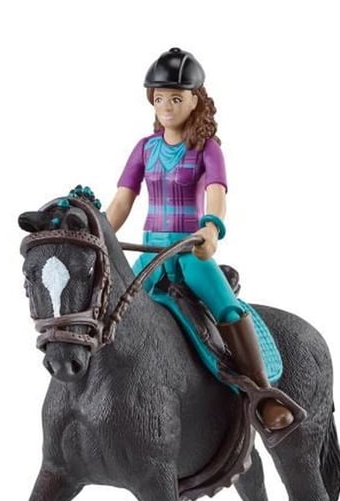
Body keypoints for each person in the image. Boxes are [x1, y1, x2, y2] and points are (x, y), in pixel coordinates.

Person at [105, 47, 294, 430]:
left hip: (190, 251)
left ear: (195, 100)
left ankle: (262, 394)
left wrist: (210, 228)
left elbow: (216, 194)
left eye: (176, 98)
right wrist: (101, 233)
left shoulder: (207, 150)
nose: (166, 106)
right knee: (114, 312)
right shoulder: (144, 149)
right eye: (160, 98)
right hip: (150, 254)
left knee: (226, 308)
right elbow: (123, 201)